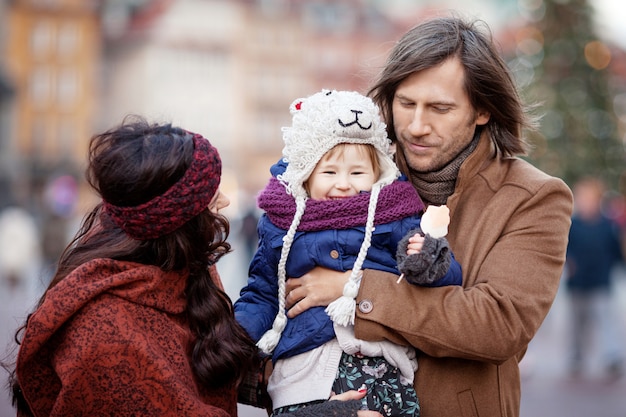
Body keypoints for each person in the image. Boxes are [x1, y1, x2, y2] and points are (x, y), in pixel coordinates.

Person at [279, 17, 574, 417]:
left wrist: (354, 290)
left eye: (439, 108)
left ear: (483, 109)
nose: (417, 127)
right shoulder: (349, 173)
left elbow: (497, 326)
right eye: (406, 104)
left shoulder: (534, 197)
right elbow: (279, 301)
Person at [2, 116, 374, 417]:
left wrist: (286, 384)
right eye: (212, 197)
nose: (226, 201)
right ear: (176, 221)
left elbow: (196, 369)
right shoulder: (105, 333)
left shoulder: (182, 272)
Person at [234, 89, 462, 417]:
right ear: (306, 174)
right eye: (329, 173)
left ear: (378, 173)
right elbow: (261, 293)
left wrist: (428, 259)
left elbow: (449, 278)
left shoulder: (396, 216)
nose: (344, 184)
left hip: (380, 366)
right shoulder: (281, 225)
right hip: (303, 369)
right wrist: (235, 337)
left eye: (357, 173)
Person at [565, 177, 624, 377]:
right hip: (577, 283)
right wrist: (568, 262)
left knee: (605, 319)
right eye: (582, 198)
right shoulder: (572, 225)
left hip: (601, 281)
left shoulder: (608, 226)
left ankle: (612, 356)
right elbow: (563, 250)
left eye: (589, 198)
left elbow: (616, 251)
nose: (585, 202)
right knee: (577, 324)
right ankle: (576, 357)